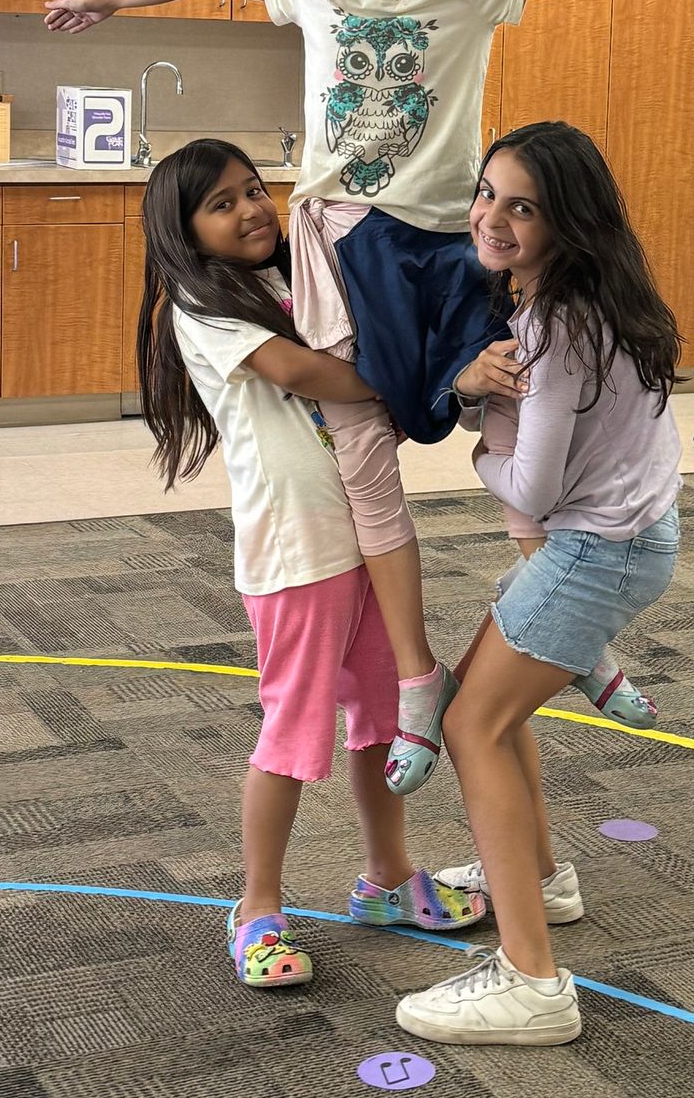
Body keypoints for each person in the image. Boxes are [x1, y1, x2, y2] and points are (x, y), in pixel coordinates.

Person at [46, 0, 694, 797]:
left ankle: (560, 613)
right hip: (346, 236)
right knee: (363, 438)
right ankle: (419, 677)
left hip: (453, 237)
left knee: (514, 390)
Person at [134, 137, 485, 989]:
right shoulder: (200, 305)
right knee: (291, 737)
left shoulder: (290, 275)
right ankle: (255, 908)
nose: (252, 208)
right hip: (296, 555)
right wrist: (410, 378)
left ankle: (388, 879)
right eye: (222, 203)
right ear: (184, 232)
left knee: (376, 720)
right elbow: (302, 370)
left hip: (361, 540)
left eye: (254, 189)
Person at [396, 121, 685, 1046]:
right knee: (488, 710)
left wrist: (482, 427)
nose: (493, 218)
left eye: (523, 206)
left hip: (599, 550)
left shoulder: (557, 328)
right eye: (488, 194)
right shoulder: (583, 299)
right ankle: (544, 882)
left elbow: (532, 488)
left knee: (468, 723)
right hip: (622, 537)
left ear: (569, 221)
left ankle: (532, 982)